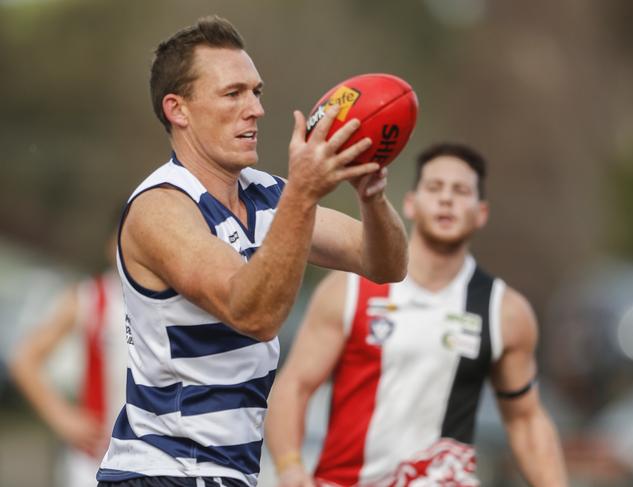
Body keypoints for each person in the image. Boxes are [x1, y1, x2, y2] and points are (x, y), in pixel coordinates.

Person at [96, 14, 408, 487]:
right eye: (233, 93)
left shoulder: (267, 195)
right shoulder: (160, 208)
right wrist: (303, 195)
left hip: (230, 473)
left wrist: (372, 196)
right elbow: (253, 312)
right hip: (162, 472)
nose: (256, 109)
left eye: (256, 92)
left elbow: (386, 263)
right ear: (178, 109)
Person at [265, 143, 568, 486]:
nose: (446, 199)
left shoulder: (504, 311)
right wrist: (290, 466)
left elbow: (525, 421)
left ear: (481, 212)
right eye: (435, 188)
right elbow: (295, 386)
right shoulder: (350, 290)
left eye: (461, 191)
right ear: (410, 203)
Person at [9, 233, 125, 487]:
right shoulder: (91, 296)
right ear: (111, 245)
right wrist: (61, 417)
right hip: (95, 461)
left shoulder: (174, 300)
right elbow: (25, 359)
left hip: (157, 461)